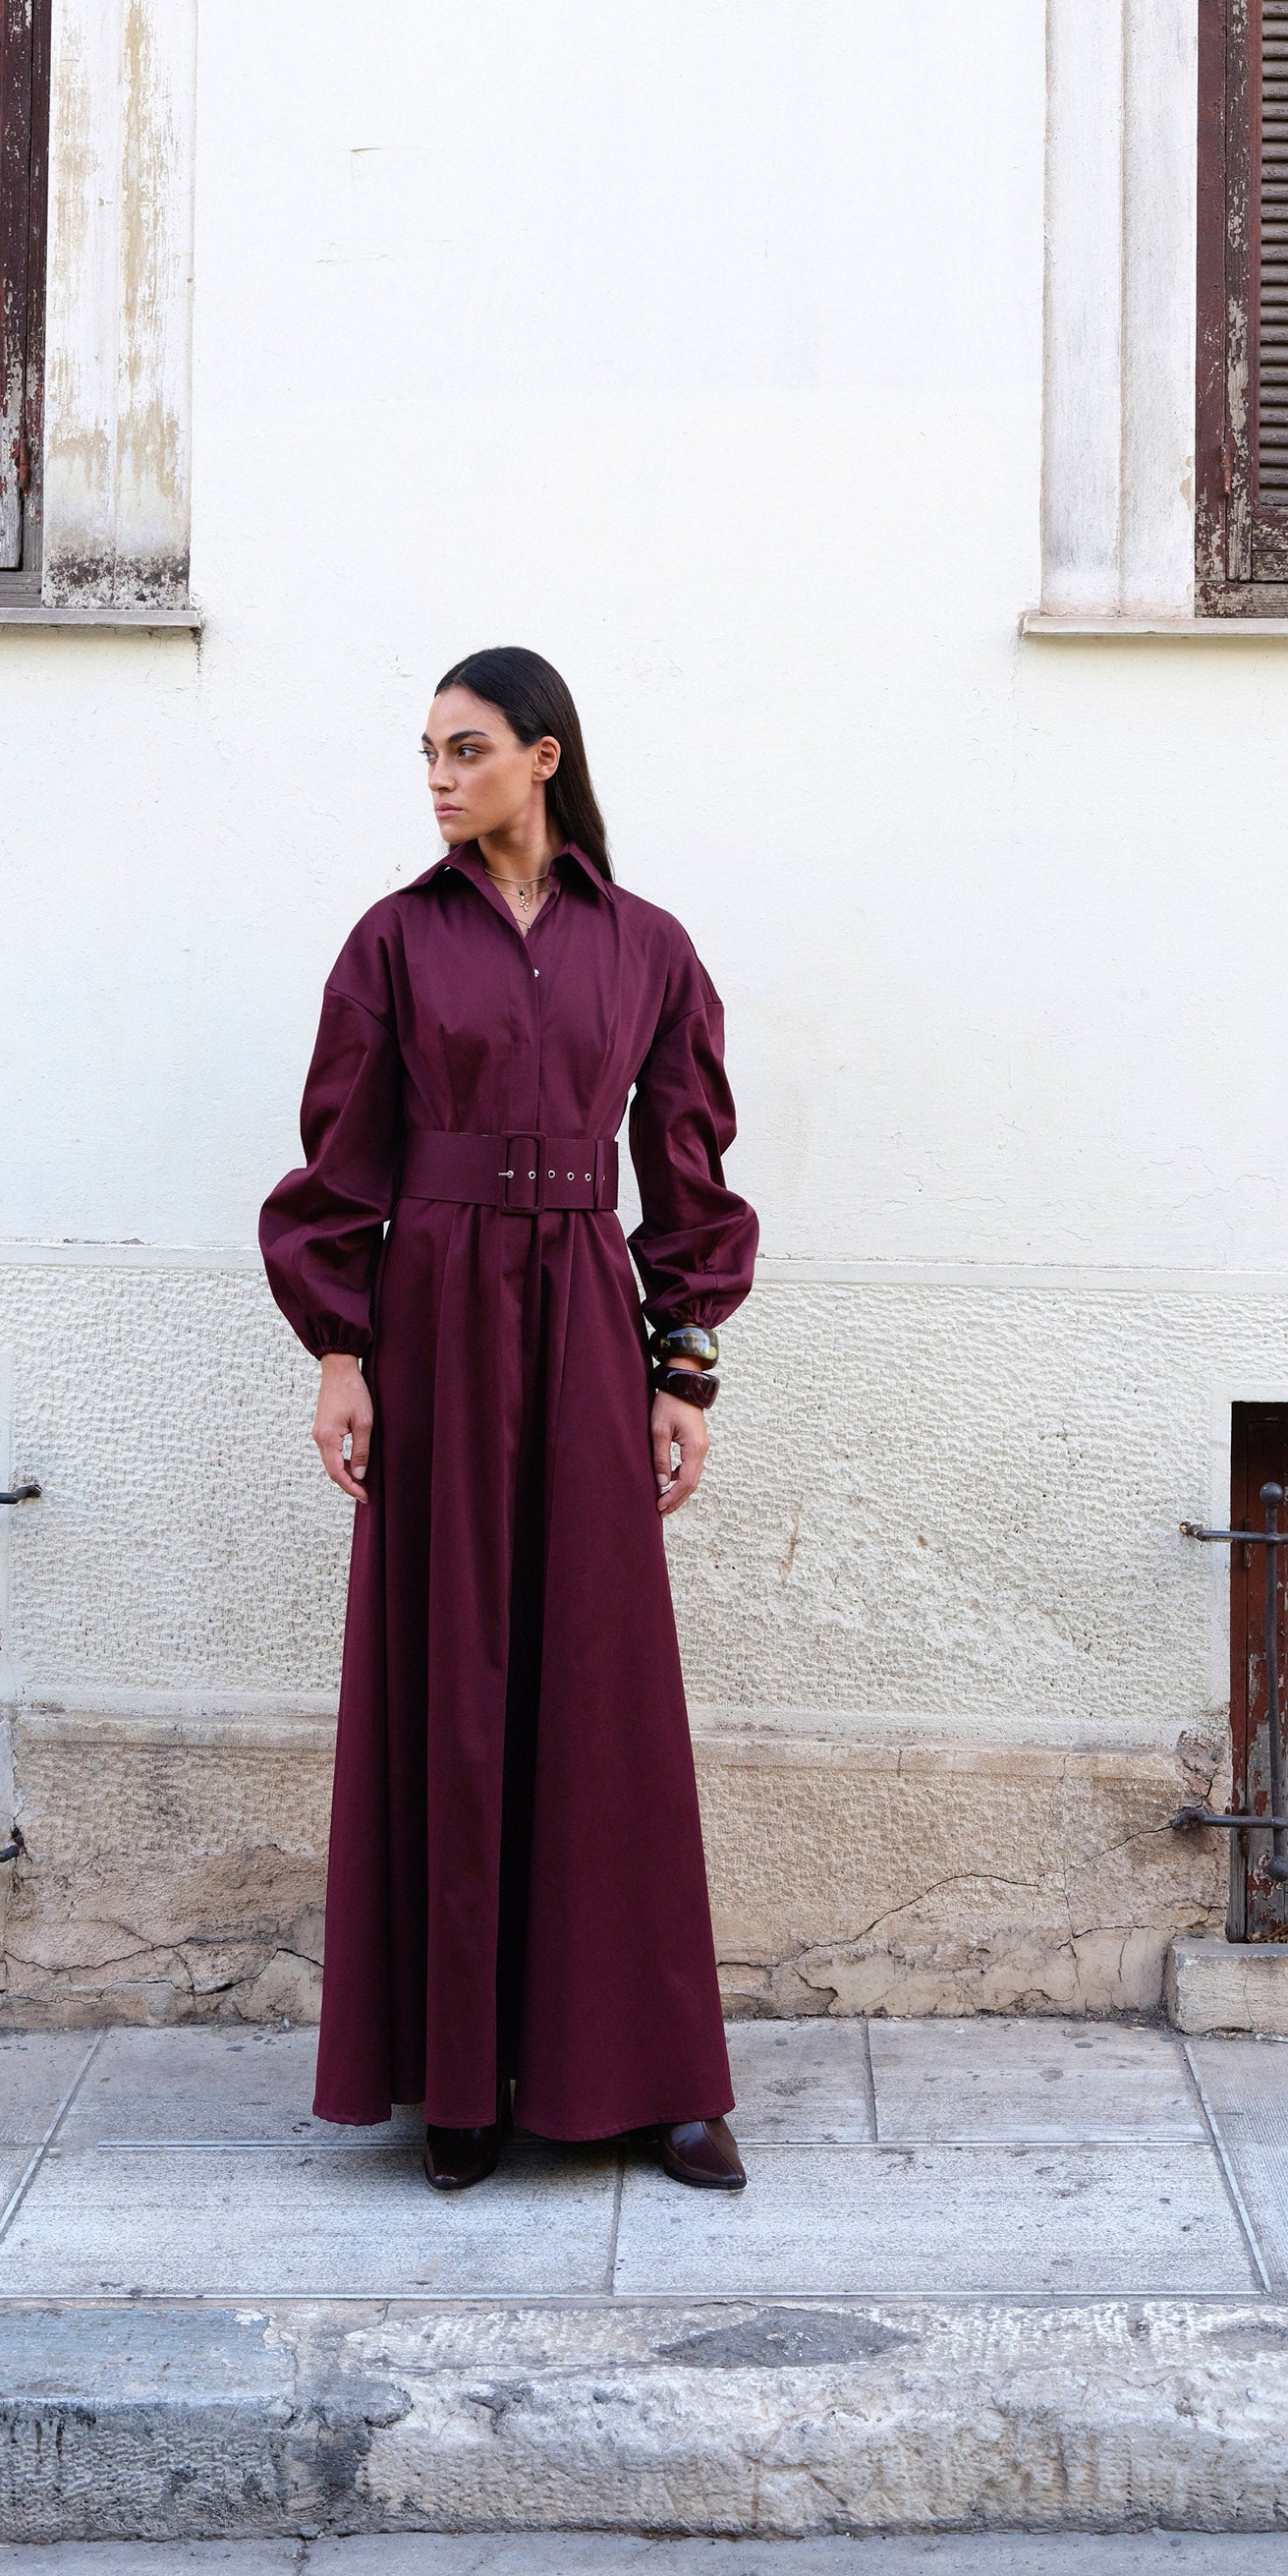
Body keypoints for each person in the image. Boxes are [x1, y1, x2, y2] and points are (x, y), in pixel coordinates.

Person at [259, 649, 758, 2194]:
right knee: (453, 1680)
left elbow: (686, 1168)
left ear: (543, 757)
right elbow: (339, 1160)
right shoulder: (392, 942)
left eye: (465, 749)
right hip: (433, 1323)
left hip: (586, 1324)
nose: (437, 777)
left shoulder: (648, 948)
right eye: (425, 751)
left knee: (605, 1686)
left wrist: (683, 1369)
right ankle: (457, 2077)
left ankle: (655, 2080)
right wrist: (339, 1355)